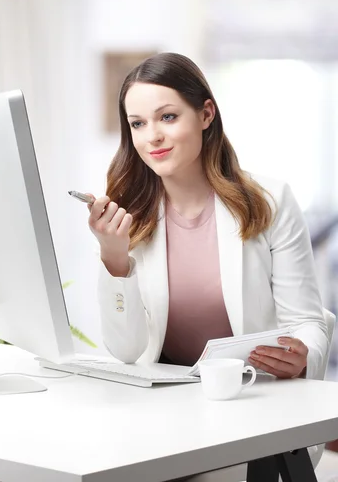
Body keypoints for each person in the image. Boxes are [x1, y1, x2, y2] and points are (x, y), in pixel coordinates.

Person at [85, 52, 328, 481]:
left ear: (205, 114)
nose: (152, 136)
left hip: (250, 405)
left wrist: (303, 356)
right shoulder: (129, 216)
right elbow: (125, 351)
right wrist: (114, 257)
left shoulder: (269, 201)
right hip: (163, 411)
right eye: (138, 124)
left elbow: (308, 321)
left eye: (168, 116)